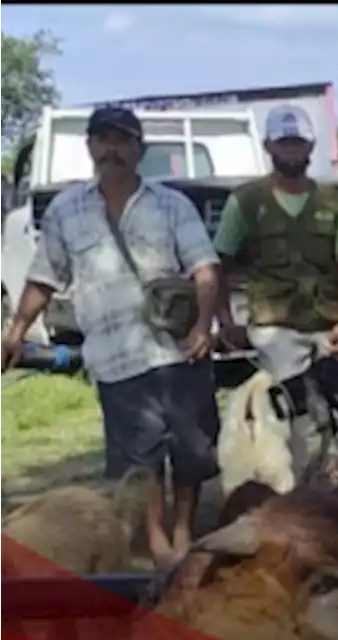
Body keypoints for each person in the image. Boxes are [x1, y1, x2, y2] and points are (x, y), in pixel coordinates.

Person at [0, 106, 222, 567]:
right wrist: (16, 331)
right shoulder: (66, 210)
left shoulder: (171, 205)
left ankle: (184, 535)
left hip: (178, 352)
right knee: (137, 465)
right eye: (102, 140)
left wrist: (203, 325)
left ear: (139, 149)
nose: (111, 149)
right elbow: (44, 277)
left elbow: (204, 268)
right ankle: (159, 548)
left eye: (121, 140)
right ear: (89, 148)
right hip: (116, 360)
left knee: (191, 453)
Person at [212, 104, 338, 472]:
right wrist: (225, 322)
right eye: (284, 143)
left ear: (311, 146)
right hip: (276, 326)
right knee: (297, 415)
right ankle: (305, 486)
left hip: (330, 320)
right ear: (269, 147)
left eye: (298, 143)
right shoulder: (245, 202)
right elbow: (217, 266)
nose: (291, 150)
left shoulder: (332, 203)